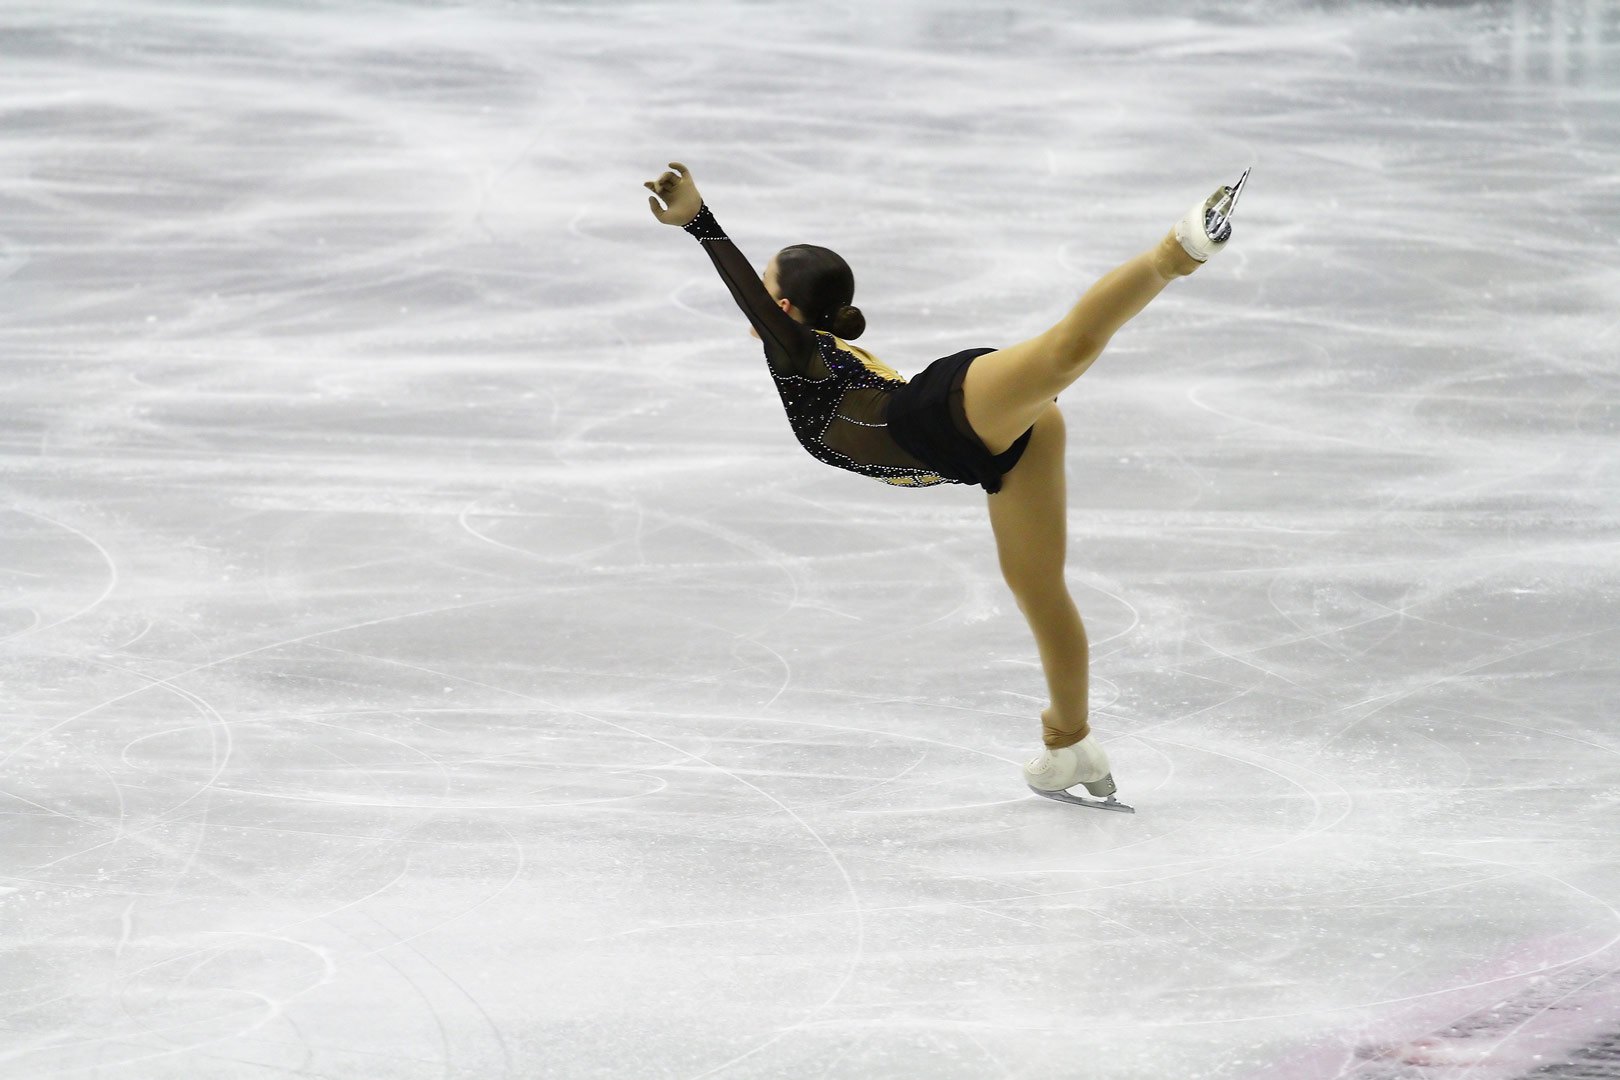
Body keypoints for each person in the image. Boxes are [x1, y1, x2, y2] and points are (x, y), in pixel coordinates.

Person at [645, 161, 1241, 806]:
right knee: (1038, 587)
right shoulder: (821, 360)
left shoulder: (798, 354)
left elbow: (755, 303)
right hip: (976, 446)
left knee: (1065, 351)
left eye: (768, 294)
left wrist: (701, 223)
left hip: (940, 412)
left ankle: (1176, 251)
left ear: (784, 308)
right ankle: (1069, 744)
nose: (760, 304)